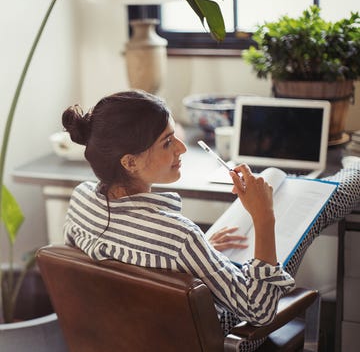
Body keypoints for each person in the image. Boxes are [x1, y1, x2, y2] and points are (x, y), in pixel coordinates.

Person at [62, 90, 360, 350]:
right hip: (211, 339)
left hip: (125, 339)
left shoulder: (81, 201)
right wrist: (263, 217)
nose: (181, 148)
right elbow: (260, 311)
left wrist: (195, 252)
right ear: (130, 162)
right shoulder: (179, 238)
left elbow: (120, 268)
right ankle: (354, 170)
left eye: (175, 135)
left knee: (290, 209)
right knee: (314, 210)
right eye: (167, 143)